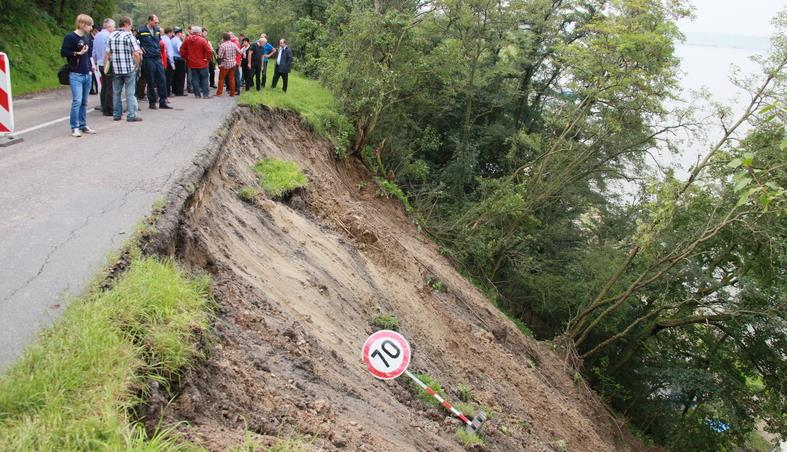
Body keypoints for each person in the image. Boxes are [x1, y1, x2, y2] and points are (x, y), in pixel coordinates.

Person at [60, 14, 96, 137]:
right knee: (77, 101)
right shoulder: (70, 37)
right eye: (89, 25)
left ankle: (83, 124)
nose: (91, 27)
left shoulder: (86, 38)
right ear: (82, 24)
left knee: (84, 102)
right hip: (75, 73)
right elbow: (64, 52)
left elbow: (89, 54)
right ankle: (74, 127)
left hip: (87, 73)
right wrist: (77, 53)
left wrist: (92, 67)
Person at [105, 16, 142, 122]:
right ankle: (131, 115)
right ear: (127, 24)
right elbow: (136, 53)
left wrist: (106, 68)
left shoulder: (111, 35)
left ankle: (117, 114)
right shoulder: (129, 36)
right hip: (128, 68)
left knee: (116, 92)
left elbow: (108, 53)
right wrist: (137, 65)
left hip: (116, 68)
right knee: (130, 92)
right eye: (130, 25)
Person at [137, 15, 171, 109]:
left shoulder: (157, 30)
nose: (156, 24)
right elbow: (135, 41)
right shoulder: (141, 30)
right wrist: (140, 48)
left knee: (162, 79)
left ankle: (163, 101)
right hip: (148, 58)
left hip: (157, 57)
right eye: (155, 22)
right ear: (149, 21)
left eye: (157, 23)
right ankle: (152, 102)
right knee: (151, 81)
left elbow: (159, 41)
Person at [179, 26, 213, 98]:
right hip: (202, 63)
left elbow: (181, 49)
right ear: (199, 32)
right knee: (204, 78)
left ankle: (197, 94)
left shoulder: (187, 40)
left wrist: (186, 57)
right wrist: (208, 59)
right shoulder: (203, 40)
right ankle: (206, 95)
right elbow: (209, 51)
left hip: (192, 63)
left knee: (195, 79)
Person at [92, 18, 115, 116]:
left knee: (104, 86)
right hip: (108, 63)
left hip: (100, 63)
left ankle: (104, 106)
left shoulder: (97, 35)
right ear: (109, 26)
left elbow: (93, 51)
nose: (114, 28)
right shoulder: (109, 36)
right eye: (113, 26)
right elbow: (110, 51)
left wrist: (95, 62)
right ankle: (109, 108)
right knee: (110, 86)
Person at [216, 32, 238, 97]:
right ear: (229, 37)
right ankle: (232, 93)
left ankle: (219, 93)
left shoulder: (223, 45)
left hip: (225, 64)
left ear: (223, 38)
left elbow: (219, 56)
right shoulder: (234, 44)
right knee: (232, 78)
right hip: (233, 63)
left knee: (221, 79)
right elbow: (239, 51)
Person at [171, 28, 186, 96]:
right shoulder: (178, 41)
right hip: (179, 59)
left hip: (173, 59)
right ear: (179, 33)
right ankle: (179, 91)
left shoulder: (172, 40)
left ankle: (174, 90)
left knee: (175, 76)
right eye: (181, 33)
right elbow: (180, 50)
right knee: (180, 76)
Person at [161, 27, 176, 96]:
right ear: (169, 33)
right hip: (167, 60)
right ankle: (167, 92)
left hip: (161, 59)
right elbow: (170, 53)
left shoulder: (161, 38)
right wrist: (172, 64)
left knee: (163, 77)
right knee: (169, 77)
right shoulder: (168, 41)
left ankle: (163, 92)